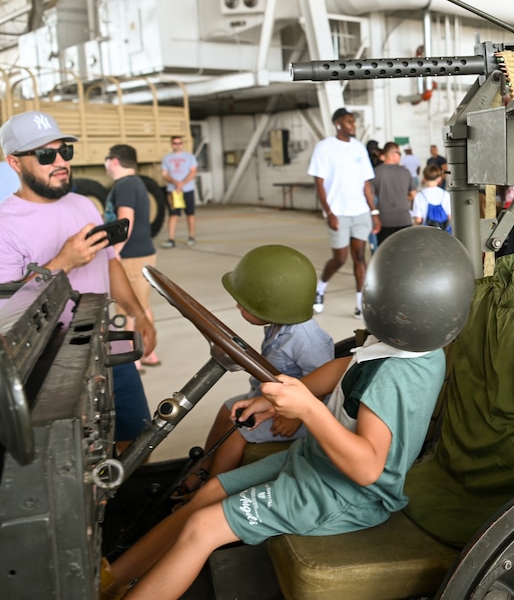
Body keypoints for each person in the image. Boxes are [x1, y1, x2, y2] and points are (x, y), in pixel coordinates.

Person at [99, 227, 475, 600]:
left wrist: (308, 410)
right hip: (316, 463)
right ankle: (110, 579)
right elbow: (345, 365)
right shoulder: (400, 343)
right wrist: (272, 398)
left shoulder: (400, 372)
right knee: (209, 492)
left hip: (347, 495)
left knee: (203, 527)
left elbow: (367, 467)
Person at [0, 111, 155, 450]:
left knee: (137, 444)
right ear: (14, 162)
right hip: (55, 369)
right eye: (45, 155)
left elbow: (110, 263)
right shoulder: (5, 225)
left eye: (64, 151)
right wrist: (62, 263)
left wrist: (139, 313)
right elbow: (9, 314)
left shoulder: (84, 205)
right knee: (81, 465)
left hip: (110, 350)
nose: (60, 162)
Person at [186, 246, 335, 495]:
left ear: (273, 304)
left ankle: (211, 490)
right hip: (269, 401)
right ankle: (201, 470)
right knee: (227, 409)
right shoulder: (279, 324)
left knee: (240, 429)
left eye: (244, 303)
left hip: (297, 416)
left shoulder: (307, 339)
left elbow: (326, 384)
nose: (237, 306)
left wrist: (295, 416)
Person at [308, 107, 381, 316]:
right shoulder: (324, 147)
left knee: (359, 256)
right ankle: (320, 288)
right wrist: (329, 213)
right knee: (339, 258)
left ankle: (361, 305)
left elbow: (366, 184)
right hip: (337, 212)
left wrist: (374, 212)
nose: (353, 125)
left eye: (354, 121)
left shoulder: (359, 148)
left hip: (360, 212)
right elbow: (319, 184)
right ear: (338, 124)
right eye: (349, 121)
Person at [103, 144, 160, 368]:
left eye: (107, 159)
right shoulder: (135, 183)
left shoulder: (126, 186)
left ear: (114, 161)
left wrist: (115, 252)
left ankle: (132, 360)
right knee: (142, 306)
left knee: (129, 308)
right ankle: (148, 353)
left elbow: (125, 221)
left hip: (130, 255)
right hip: (141, 253)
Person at [372, 142, 416, 245]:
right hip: (404, 220)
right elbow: (414, 195)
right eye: (399, 153)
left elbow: (370, 196)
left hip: (384, 221)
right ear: (393, 154)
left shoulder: (376, 172)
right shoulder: (405, 172)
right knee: (404, 254)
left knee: (385, 254)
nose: (400, 156)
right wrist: (405, 198)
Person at [160, 135, 198, 248]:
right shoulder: (167, 158)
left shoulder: (190, 157)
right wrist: (175, 183)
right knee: (173, 214)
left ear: (182, 144)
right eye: (175, 143)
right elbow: (164, 174)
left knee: (190, 214)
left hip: (187, 189)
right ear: (172, 144)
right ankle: (171, 239)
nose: (177, 145)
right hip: (173, 191)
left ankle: (191, 236)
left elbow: (193, 172)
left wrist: (182, 183)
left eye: (179, 143)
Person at [412, 164, 451, 230]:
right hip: (444, 234)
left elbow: (418, 220)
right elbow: (450, 216)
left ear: (424, 178)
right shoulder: (445, 194)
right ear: (439, 178)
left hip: (427, 234)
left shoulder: (419, 196)